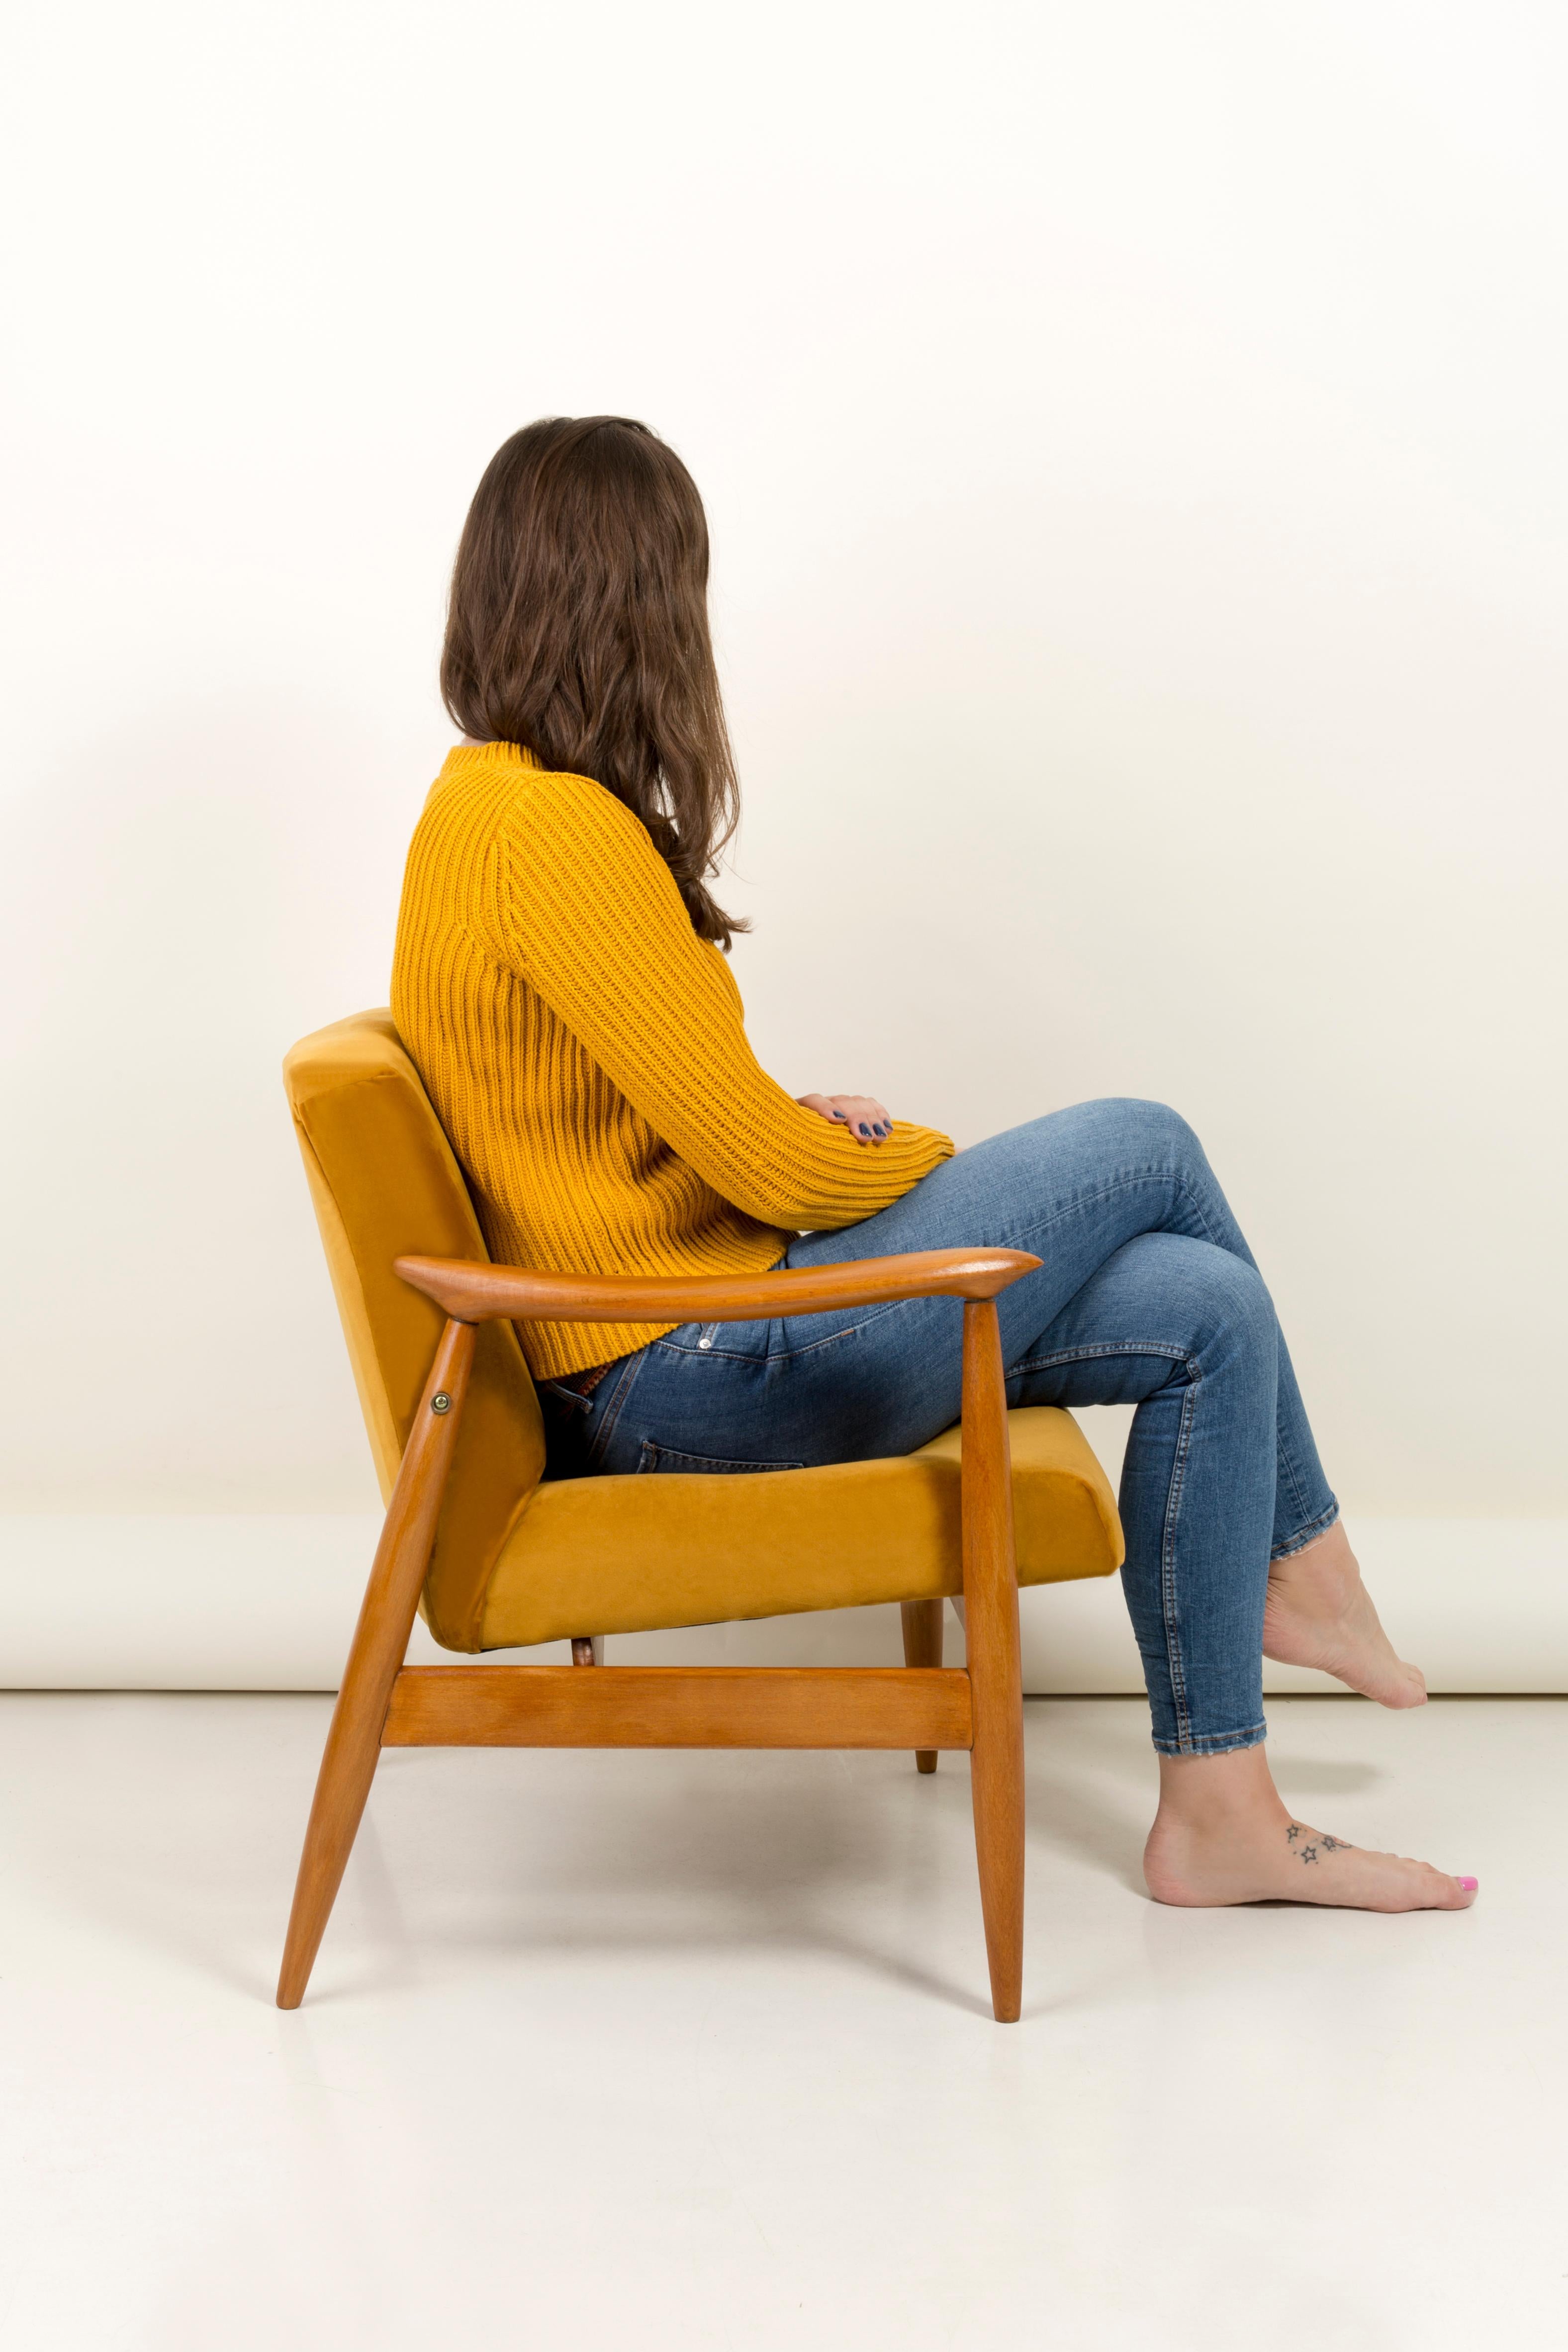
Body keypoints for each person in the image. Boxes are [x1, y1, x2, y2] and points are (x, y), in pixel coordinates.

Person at [392, 414, 1477, 1915]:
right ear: (640, 601)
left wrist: (776, 1126)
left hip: (668, 1337)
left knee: (1204, 1306)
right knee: (1146, 1143)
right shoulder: (555, 830)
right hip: (683, 1374)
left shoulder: (479, 805)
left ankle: (1218, 1809)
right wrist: (903, 1158)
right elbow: (766, 1171)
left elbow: (614, 1120)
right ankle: (1305, 1560)